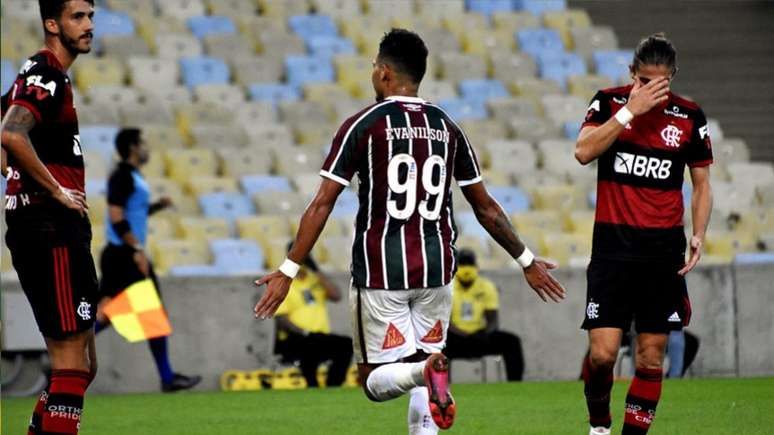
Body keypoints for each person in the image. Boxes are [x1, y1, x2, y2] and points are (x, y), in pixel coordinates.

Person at [254, 28, 565, 434]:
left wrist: (289, 269)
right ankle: (426, 372)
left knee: (373, 380)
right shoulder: (447, 126)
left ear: (384, 73)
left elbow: (322, 202)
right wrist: (526, 260)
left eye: (372, 68)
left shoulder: (364, 124)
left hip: (381, 272)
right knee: (427, 364)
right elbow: (486, 207)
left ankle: (422, 371)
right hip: (437, 273)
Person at [575, 33, 713, 435]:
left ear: (672, 76)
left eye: (662, 82)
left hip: (662, 253)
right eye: (645, 80)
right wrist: (629, 113)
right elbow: (583, 151)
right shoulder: (607, 102)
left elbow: (702, 184)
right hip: (612, 250)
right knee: (601, 356)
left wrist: (699, 233)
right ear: (631, 72)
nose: (653, 89)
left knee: (651, 358)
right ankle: (599, 425)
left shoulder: (689, 116)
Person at [1, 1, 98, 434]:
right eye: (78, 17)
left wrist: (8, 159)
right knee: (70, 361)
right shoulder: (48, 73)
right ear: (52, 24)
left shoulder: (40, 75)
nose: (89, 25)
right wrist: (56, 189)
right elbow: (11, 130)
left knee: (83, 365)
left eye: (92, 16)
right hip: (48, 227)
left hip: (56, 228)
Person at [95, 128, 201, 392]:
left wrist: (157, 206)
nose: (147, 148)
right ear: (132, 147)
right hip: (124, 255)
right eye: (142, 143)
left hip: (123, 254)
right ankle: (167, 378)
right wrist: (138, 249)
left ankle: (167, 377)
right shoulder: (122, 176)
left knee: (115, 312)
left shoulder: (132, 177)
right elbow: (116, 217)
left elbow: (134, 212)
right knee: (119, 313)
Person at [274, 244, 353, 387]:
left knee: (346, 345)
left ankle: (333, 385)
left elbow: (336, 296)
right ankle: (312, 385)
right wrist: (305, 333)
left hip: (319, 336)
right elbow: (281, 321)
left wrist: (315, 269)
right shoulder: (282, 283)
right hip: (296, 338)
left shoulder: (315, 279)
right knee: (309, 347)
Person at [444, 249, 525, 381]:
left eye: (469, 264)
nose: (466, 269)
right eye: (463, 264)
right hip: (455, 338)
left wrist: (483, 334)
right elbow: (444, 320)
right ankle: (442, 387)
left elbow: (492, 319)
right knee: (437, 347)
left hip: (479, 337)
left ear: (476, 267)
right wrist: (462, 334)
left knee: (511, 342)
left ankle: (515, 385)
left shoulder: (486, 286)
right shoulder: (448, 288)